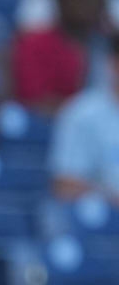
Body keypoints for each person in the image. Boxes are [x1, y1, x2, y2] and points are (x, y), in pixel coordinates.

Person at [49, 33, 119, 204]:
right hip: (102, 219)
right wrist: (110, 197)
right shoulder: (81, 112)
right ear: (113, 63)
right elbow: (65, 184)